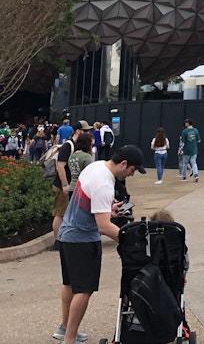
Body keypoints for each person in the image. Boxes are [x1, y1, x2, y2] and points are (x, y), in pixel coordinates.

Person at [53, 145, 145, 344]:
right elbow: (104, 227)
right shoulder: (105, 184)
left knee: (69, 284)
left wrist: (107, 209)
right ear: (123, 164)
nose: (132, 174)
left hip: (67, 236)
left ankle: (64, 328)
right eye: (133, 169)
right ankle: (69, 340)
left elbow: (88, 200)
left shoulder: (95, 167)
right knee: (84, 290)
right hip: (83, 240)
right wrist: (131, 241)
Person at [52, 120, 92, 245]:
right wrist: (65, 184)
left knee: (65, 213)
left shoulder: (75, 146)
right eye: (85, 131)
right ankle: (58, 241)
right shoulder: (68, 146)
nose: (88, 133)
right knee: (60, 213)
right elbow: (60, 166)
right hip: (63, 185)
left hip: (70, 185)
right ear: (78, 131)